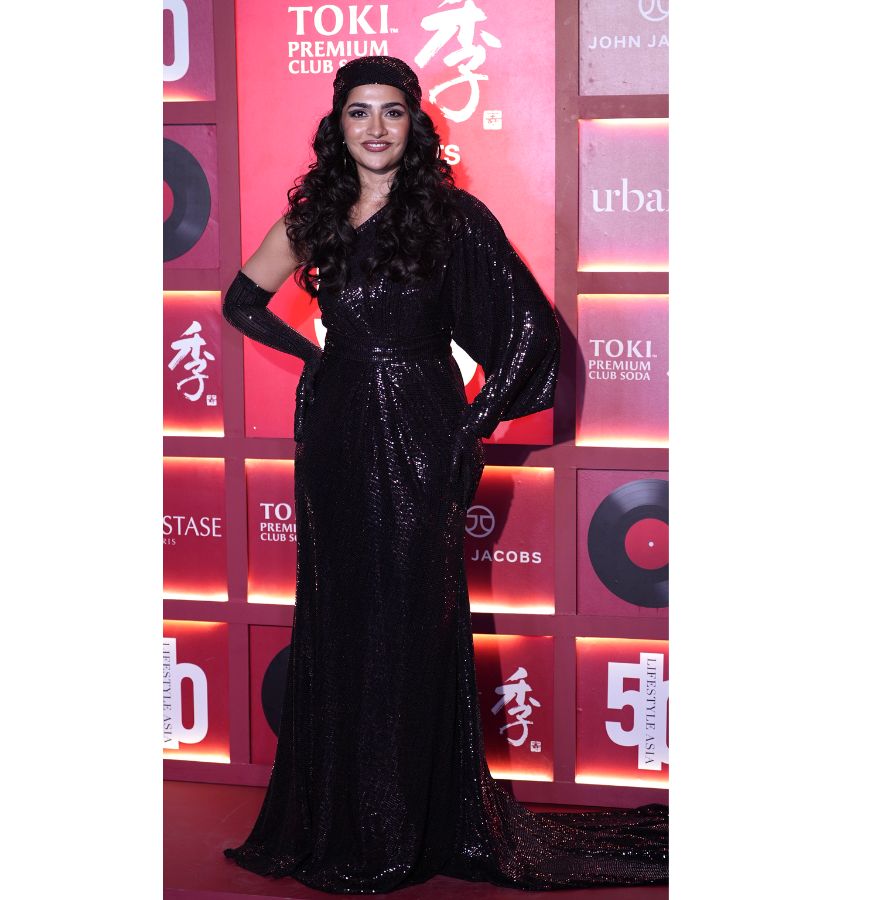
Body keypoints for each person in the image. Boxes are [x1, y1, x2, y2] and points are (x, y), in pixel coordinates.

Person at [220, 56, 668, 893]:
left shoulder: (449, 216)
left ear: (415, 124)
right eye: (359, 112)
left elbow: (532, 334)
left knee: (413, 616)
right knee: (342, 613)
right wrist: (312, 357)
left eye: (392, 112)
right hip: (338, 435)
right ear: (337, 124)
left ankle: (414, 820)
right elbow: (240, 301)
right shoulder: (315, 217)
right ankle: (345, 815)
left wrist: (471, 422)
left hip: (424, 431)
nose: (376, 128)